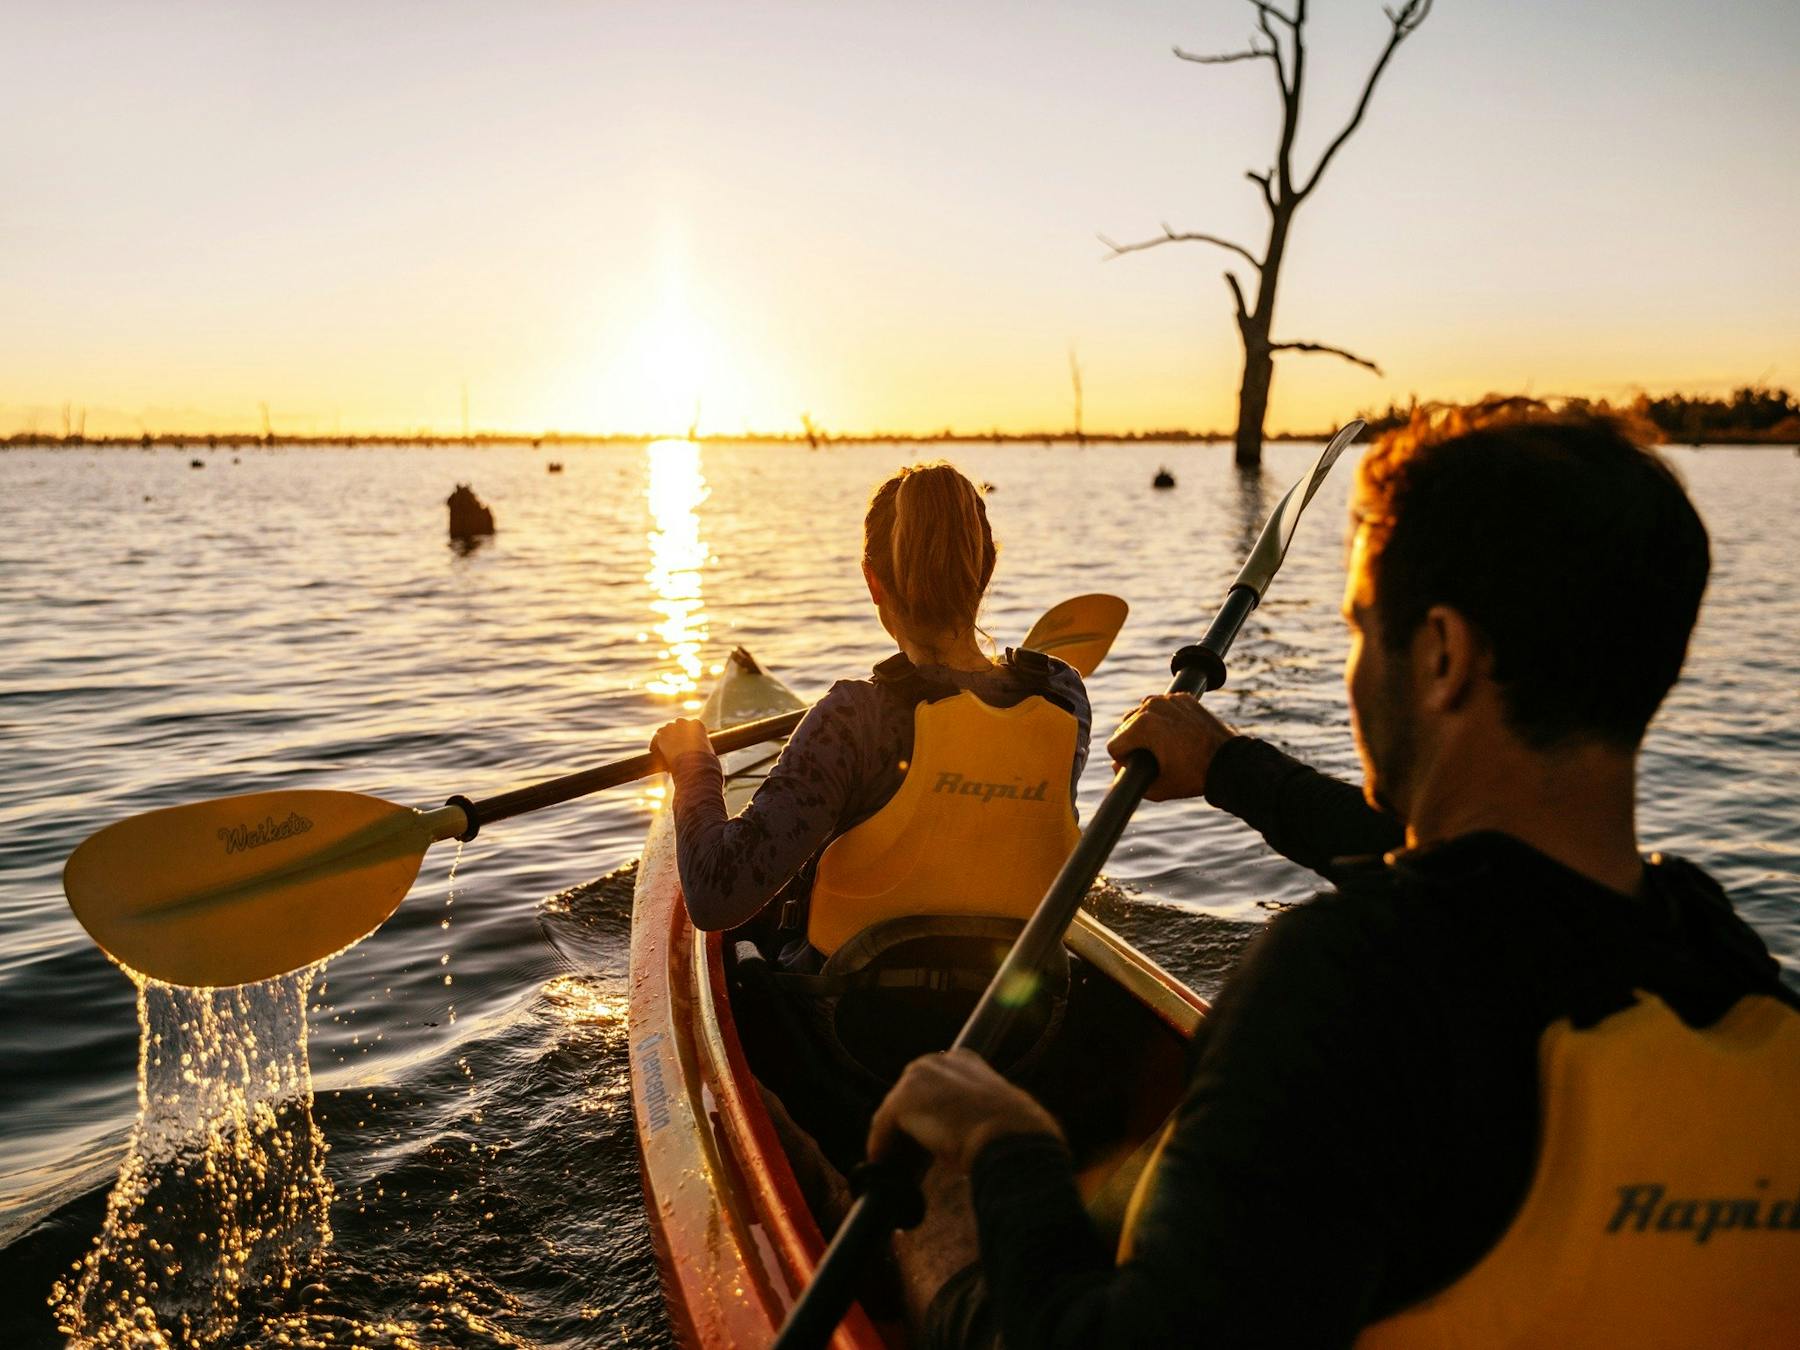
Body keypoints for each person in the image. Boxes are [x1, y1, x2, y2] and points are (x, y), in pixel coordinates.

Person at [870, 406, 1800, 1347]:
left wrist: (1003, 1145)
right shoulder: (1727, 965)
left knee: (925, 1209)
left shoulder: (1348, 985)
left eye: (1360, 629)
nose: (1354, 666)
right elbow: (1494, 895)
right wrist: (1231, 768)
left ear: (1441, 655)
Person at [650, 459, 1091, 974]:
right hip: (1016, 1019)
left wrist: (694, 766)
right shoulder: (1063, 695)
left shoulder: (855, 719)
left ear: (872, 581)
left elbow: (713, 897)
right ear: (985, 571)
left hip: (850, 1032)